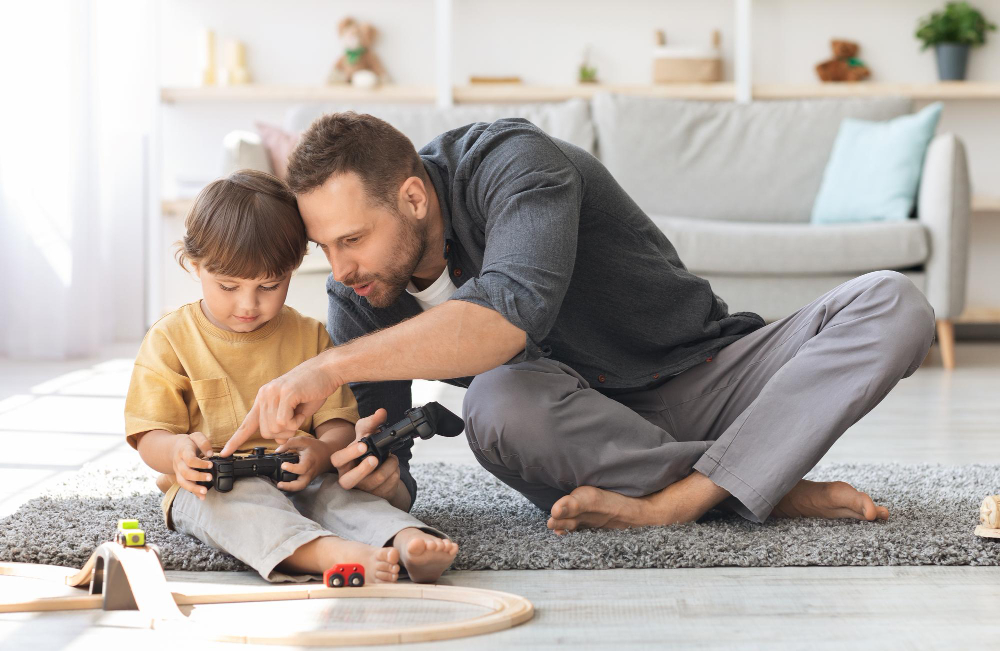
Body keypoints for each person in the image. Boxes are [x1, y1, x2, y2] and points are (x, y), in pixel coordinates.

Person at [221, 113, 936, 533]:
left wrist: (328, 366)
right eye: (325, 248)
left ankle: (682, 499)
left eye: (352, 239)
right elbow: (398, 477)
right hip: (579, 426)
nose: (339, 269)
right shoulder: (362, 294)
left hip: (703, 373)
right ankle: (759, 474)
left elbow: (508, 317)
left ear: (412, 196)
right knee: (495, 404)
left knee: (894, 302)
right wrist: (376, 478)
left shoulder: (511, 161)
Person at [124, 169, 457, 582]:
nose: (248, 304)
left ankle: (406, 540)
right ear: (194, 264)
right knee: (237, 511)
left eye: (269, 285)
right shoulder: (171, 338)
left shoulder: (309, 336)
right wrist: (176, 452)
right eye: (228, 286)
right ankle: (325, 553)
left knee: (342, 496)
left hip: (301, 478)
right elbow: (149, 433)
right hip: (216, 485)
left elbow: (337, 423)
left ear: (295, 267)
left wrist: (319, 455)